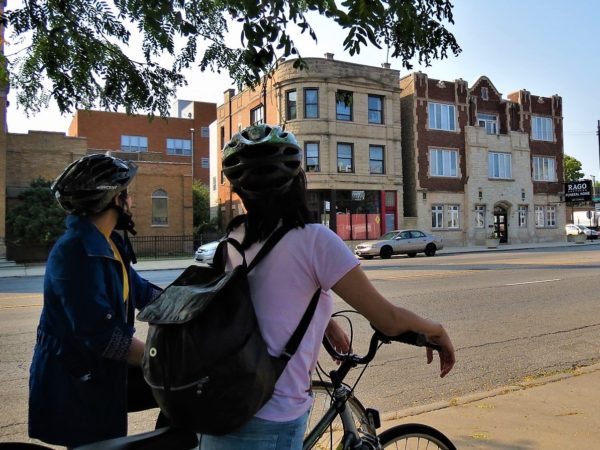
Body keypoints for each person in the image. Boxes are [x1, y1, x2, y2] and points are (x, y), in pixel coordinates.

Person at [198, 124, 455, 449]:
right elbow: (387, 318)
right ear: (297, 181)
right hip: (270, 421)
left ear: (238, 191)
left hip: (217, 411)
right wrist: (435, 329)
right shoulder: (314, 241)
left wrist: (324, 322)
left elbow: (259, 307)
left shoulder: (229, 243)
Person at [28, 154, 163, 448]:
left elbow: (142, 292)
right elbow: (104, 337)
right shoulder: (73, 253)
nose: (132, 202)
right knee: (94, 445)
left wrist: (191, 305)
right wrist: (160, 358)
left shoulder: (109, 243)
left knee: (177, 388)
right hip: (76, 380)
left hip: (102, 371)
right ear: (113, 200)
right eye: (126, 194)